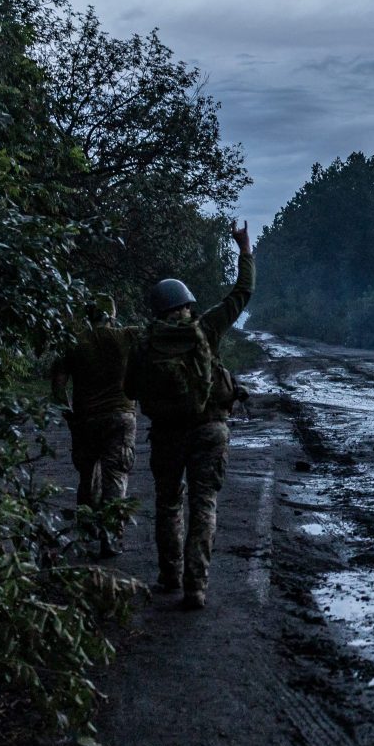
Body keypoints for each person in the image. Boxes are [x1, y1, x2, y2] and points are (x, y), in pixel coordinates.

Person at [130, 221, 254, 610]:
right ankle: (195, 586)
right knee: (204, 504)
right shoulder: (205, 328)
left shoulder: (145, 344)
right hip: (209, 429)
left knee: (168, 503)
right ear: (186, 304)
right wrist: (244, 250)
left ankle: (170, 575)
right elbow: (242, 293)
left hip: (167, 433)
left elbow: (129, 390)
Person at [50, 295, 140, 558]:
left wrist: (68, 413)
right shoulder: (127, 336)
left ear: (88, 316)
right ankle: (111, 537)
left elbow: (58, 385)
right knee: (116, 476)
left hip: (86, 418)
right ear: (112, 315)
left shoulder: (73, 342)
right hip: (121, 416)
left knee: (88, 474)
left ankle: (87, 528)